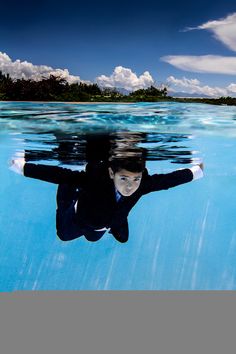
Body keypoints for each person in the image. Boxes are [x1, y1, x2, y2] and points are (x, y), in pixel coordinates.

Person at [10, 157, 204, 243]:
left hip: (105, 222)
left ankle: (113, 221)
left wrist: (197, 171)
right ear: (111, 173)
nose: (130, 186)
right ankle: (70, 201)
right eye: (124, 179)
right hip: (80, 217)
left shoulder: (142, 184)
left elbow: (168, 181)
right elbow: (58, 174)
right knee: (63, 234)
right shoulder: (94, 180)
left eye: (136, 179)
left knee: (99, 238)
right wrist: (22, 167)